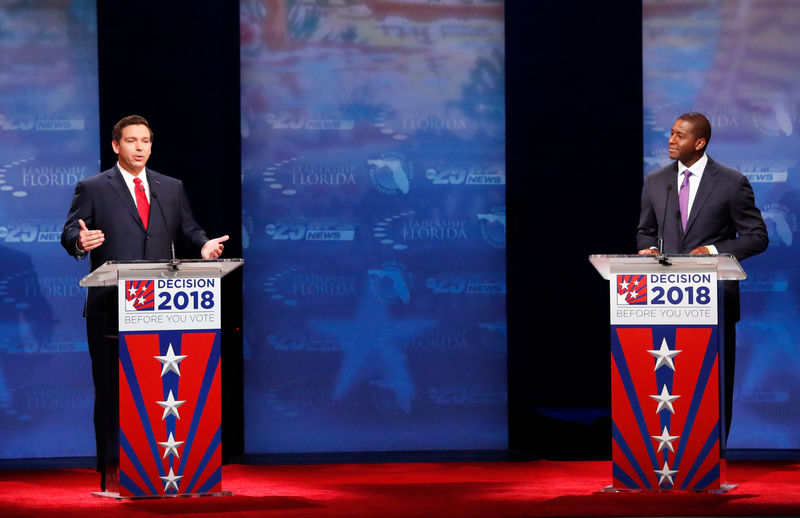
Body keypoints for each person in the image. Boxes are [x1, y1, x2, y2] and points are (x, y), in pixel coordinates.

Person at [60, 115, 229, 491]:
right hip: (110, 304)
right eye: (132, 140)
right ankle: (112, 469)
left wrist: (203, 246)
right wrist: (78, 242)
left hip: (162, 306)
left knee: (159, 388)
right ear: (116, 146)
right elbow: (72, 229)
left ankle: (159, 467)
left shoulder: (170, 187)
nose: (140, 147)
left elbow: (188, 228)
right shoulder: (93, 187)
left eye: (146, 140)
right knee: (111, 390)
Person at [637, 112, 768, 441]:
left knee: (711, 383)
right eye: (670, 133)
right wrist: (648, 251)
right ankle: (665, 452)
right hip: (662, 299)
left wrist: (712, 251)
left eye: (680, 136)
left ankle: (712, 455)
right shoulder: (655, 182)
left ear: (699, 143)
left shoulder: (730, 182)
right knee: (667, 383)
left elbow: (757, 236)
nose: (671, 140)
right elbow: (645, 232)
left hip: (713, 301)